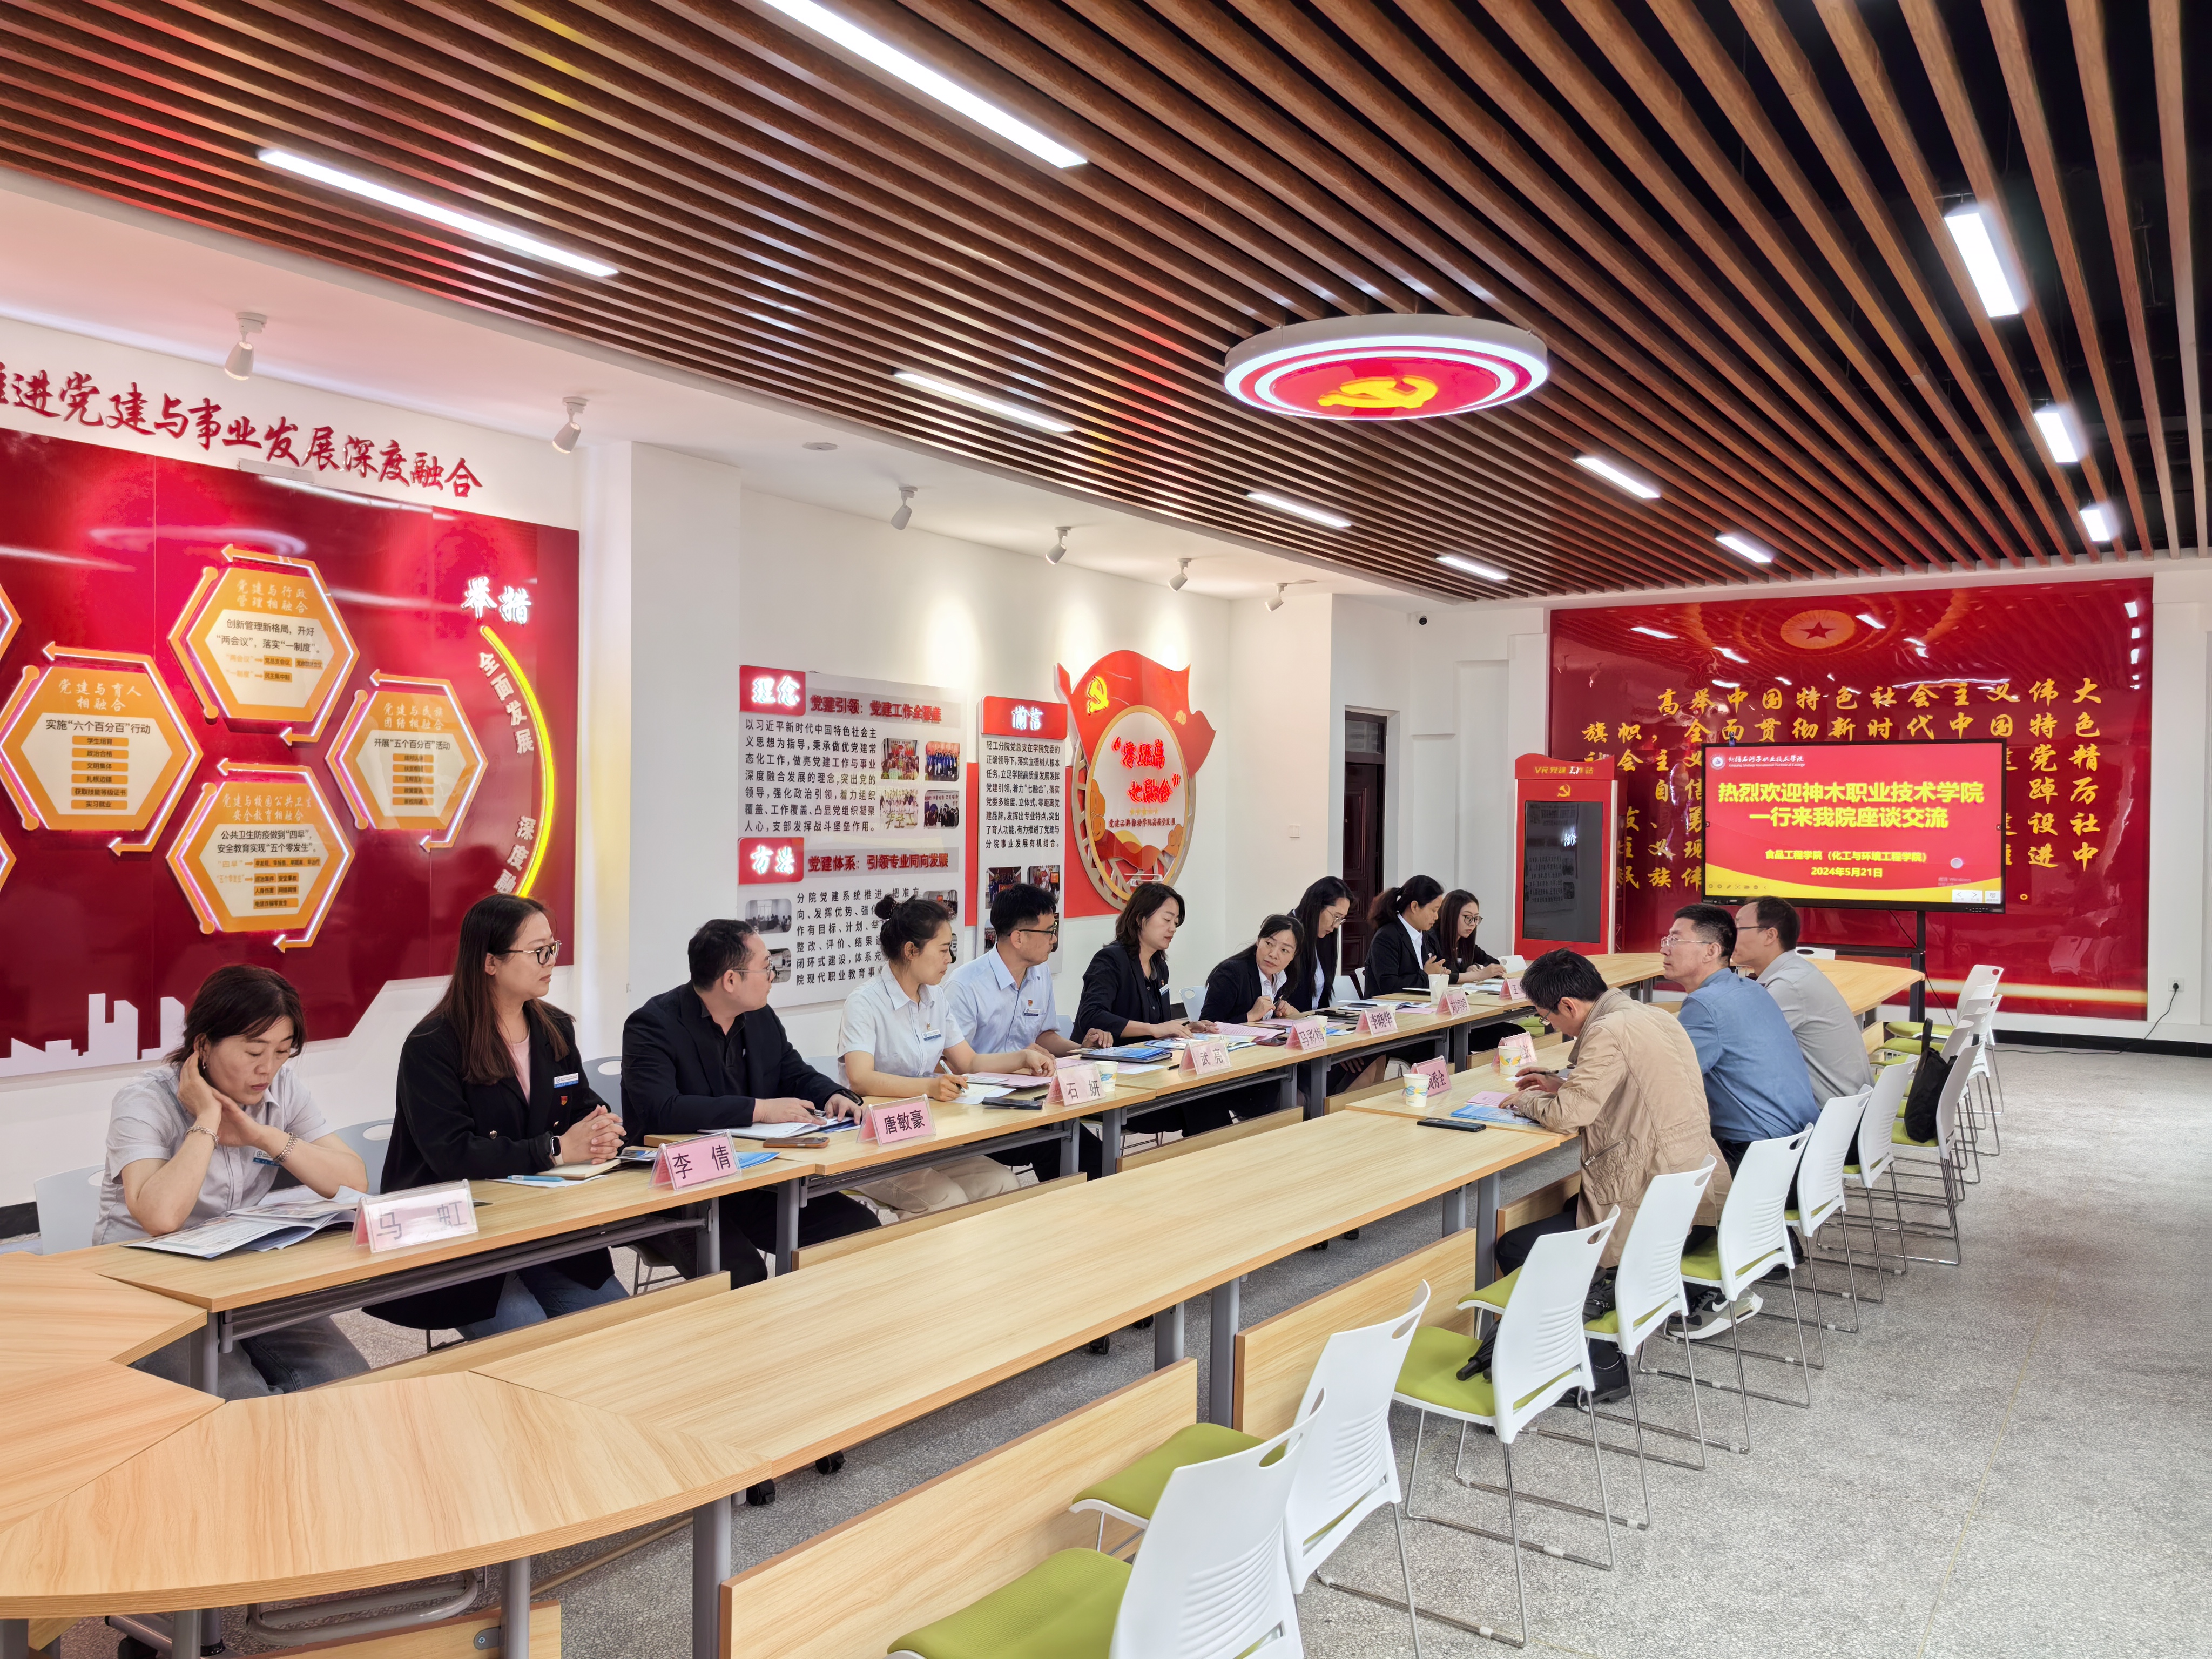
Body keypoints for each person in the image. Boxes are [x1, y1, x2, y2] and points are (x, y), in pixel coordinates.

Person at [98, 965, 370, 1395]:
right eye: (254, 1051)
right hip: (148, 1287)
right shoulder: (144, 1101)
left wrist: (263, 1135)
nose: (268, 1069)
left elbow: (354, 1179)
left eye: (282, 1052)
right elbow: (161, 1218)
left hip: (235, 1275)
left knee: (347, 1380)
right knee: (239, 1399)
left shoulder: (282, 1089)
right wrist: (207, 1120)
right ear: (203, 1044)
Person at [373, 894, 629, 1338]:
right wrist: (554, 1150)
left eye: (553, 948)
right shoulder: (433, 1044)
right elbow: (452, 1153)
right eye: (538, 952)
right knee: (529, 1341)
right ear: (490, 962)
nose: (551, 961)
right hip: (462, 1235)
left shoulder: (554, 1027)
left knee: (619, 1326)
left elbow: (581, 1106)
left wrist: (602, 1131)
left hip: (543, 1222)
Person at [1496, 949, 1731, 1394]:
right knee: (1568, 1209)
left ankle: (1598, 1367)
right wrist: (1561, 1083)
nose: (1550, 1025)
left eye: (1547, 1016)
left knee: (1517, 1246)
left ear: (1568, 1005)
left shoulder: (1606, 1031)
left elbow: (1568, 1116)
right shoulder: (1653, 1015)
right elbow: (1629, 1086)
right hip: (1693, 1195)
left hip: (1651, 1203)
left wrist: (1527, 1100)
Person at [621, 918, 880, 1283]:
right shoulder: (652, 1026)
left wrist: (833, 1094)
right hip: (677, 1191)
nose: (773, 976)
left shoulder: (759, 1016)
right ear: (731, 980)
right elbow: (663, 1110)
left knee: (859, 1228)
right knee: (743, 1275)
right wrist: (760, 1109)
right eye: (766, 967)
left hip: (752, 1178)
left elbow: (792, 1071)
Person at [838, 896, 1054, 1219]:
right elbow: (860, 1078)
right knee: (946, 1199)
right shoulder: (865, 1003)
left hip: (926, 1134)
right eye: (943, 950)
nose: (950, 959)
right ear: (911, 951)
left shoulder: (935, 996)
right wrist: (929, 1087)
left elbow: (969, 1062)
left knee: (1003, 1183)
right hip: (875, 1141)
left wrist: (1022, 1058)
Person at [1073, 882, 1235, 1144]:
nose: (1173, 929)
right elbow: (1091, 1015)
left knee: (1208, 1096)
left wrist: (1185, 1028)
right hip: (1114, 1083)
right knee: (1202, 1104)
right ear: (1140, 919)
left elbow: (1158, 1028)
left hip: (1151, 1074)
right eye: (1167, 920)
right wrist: (1154, 1029)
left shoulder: (1159, 966)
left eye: (1176, 923)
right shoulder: (1110, 960)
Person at [945, 881, 1087, 1181]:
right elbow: (953, 1064)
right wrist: (1017, 1061)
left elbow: (1044, 1036)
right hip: (983, 1106)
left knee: (1074, 1131)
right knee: (1058, 1141)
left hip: (1031, 1095)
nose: (1054, 940)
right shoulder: (966, 986)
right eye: (1048, 931)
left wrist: (1084, 1051)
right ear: (1019, 937)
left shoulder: (1040, 973)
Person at [1661, 903, 1820, 1168]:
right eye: (1666, 940)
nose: (1664, 949)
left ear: (1711, 952)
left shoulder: (1705, 1004)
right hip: (1802, 1146)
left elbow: (1667, 1080)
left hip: (1759, 1158)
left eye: (1675, 940)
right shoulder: (1751, 989)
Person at [1730, 897, 1874, 1106]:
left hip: (1830, 1115)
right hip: (1847, 1108)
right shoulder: (1796, 971)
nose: (1730, 935)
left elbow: (1737, 1047)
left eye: (1739, 927)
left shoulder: (1789, 985)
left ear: (1770, 935)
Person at [1432, 888, 1523, 1054]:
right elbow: (1441, 978)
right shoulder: (1433, 940)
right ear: (1451, 915)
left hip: (1466, 1013)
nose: (1473, 924)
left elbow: (1493, 963)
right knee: (1504, 1038)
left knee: (1517, 1034)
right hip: (1443, 1020)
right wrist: (1477, 975)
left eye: (1476, 919)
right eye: (1467, 918)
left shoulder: (1465, 943)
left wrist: (1477, 967)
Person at [1199, 913, 1303, 1025]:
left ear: (1293, 955)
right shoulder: (1231, 973)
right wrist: (1251, 1016)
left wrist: (1285, 1010)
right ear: (1259, 940)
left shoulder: (1282, 977)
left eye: (1284, 950)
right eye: (1269, 943)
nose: (1273, 954)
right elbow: (1206, 1026)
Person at [1360, 875, 1445, 996]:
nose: (1436, 917)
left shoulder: (1426, 936)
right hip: (1388, 1006)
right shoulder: (1387, 937)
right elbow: (1389, 986)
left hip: (1420, 1004)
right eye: (1434, 910)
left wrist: (1440, 972)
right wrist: (1426, 975)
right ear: (1415, 907)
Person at [1283, 876, 1352, 1013]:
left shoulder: (1324, 936)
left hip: (1314, 1020)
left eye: (1341, 919)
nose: (1336, 925)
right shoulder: (1286, 935)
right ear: (1317, 906)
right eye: (1336, 917)